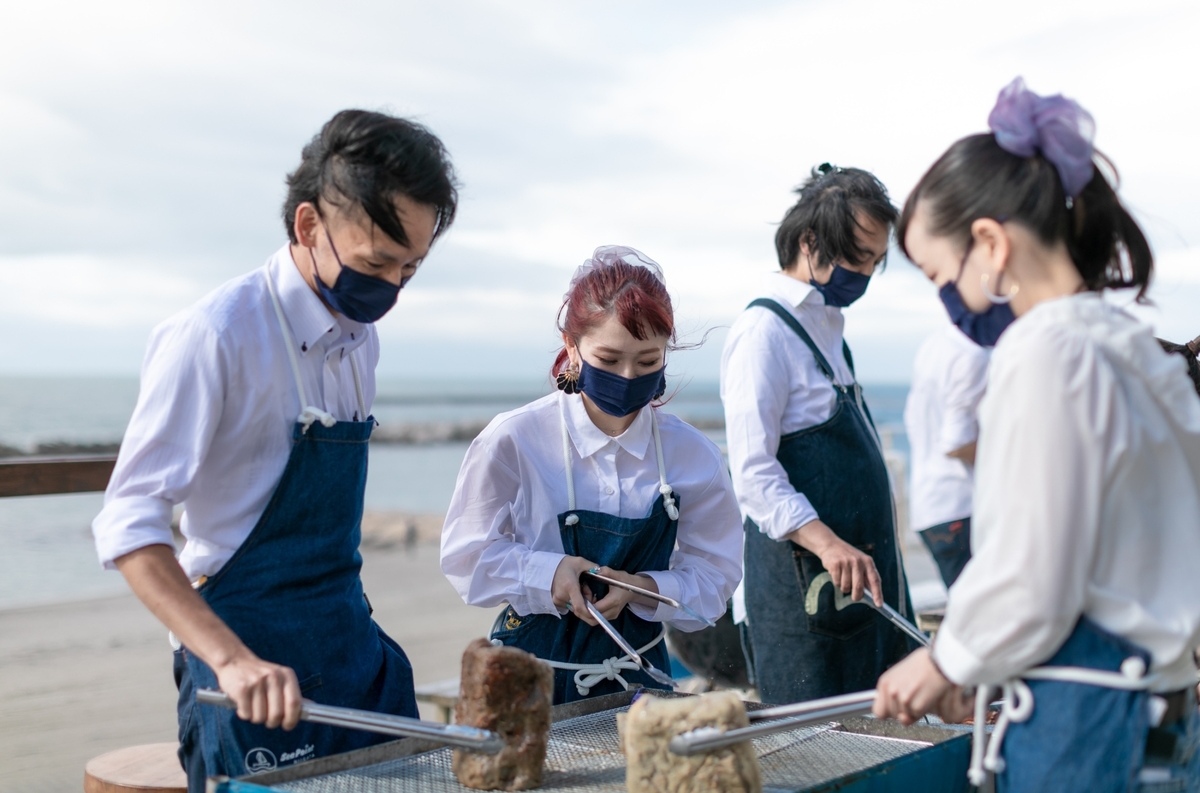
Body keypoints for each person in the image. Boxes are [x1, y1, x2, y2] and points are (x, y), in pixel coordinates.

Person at [91, 110, 459, 789]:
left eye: (410, 268)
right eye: (376, 263)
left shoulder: (361, 340)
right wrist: (231, 661)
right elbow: (128, 525)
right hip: (248, 673)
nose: (392, 288)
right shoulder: (214, 335)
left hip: (350, 649)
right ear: (309, 225)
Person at [873, 78, 1200, 791]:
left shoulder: (1046, 350)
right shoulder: (1135, 348)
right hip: (1164, 710)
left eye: (941, 275)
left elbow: (1033, 568)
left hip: (1090, 721)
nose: (949, 300)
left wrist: (944, 660)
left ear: (989, 243)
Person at [440, 246, 743, 704]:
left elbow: (717, 576)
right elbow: (467, 558)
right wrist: (549, 573)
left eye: (647, 362)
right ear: (572, 347)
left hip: (641, 680)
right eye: (609, 360)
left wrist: (645, 589)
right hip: (528, 680)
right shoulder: (514, 439)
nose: (628, 376)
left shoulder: (693, 455)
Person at [721, 165, 914, 705]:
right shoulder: (763, 333)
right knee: (814, 742)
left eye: (875, 261)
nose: (866, 274)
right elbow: (753, 473)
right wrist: (828, 544)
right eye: (858, 257)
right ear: (810, 242)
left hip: (859, 589)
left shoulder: (828, 329)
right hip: (803, 594)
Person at [903, 321, 990, 587]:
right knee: (985, 609)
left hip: (930, 506)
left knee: (971, 605)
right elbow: (957, 443)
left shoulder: (935, 345)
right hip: (962, 505)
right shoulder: (973, 354)